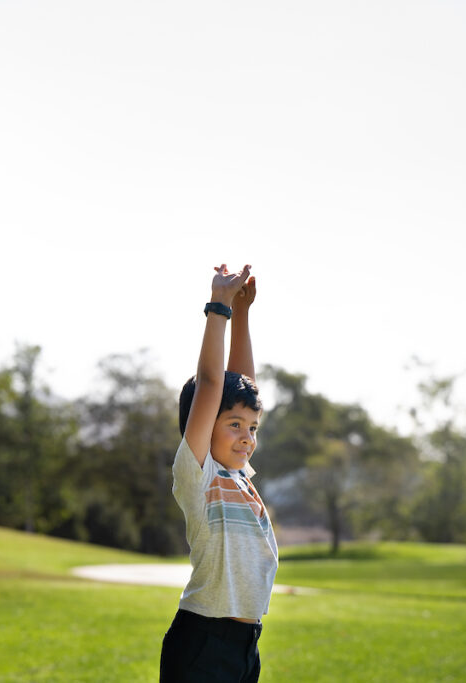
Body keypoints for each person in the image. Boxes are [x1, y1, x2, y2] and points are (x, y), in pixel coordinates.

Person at [159, 264, 278, 683]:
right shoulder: (200, 475)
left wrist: (243, 313)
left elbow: (241, 386)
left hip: (246, 645)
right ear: (203, 423)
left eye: (253, 428)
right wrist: (220, 307)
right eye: (235, 425)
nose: (247, 436)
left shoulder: (239, 477)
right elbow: (212, 383)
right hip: (204, 642)